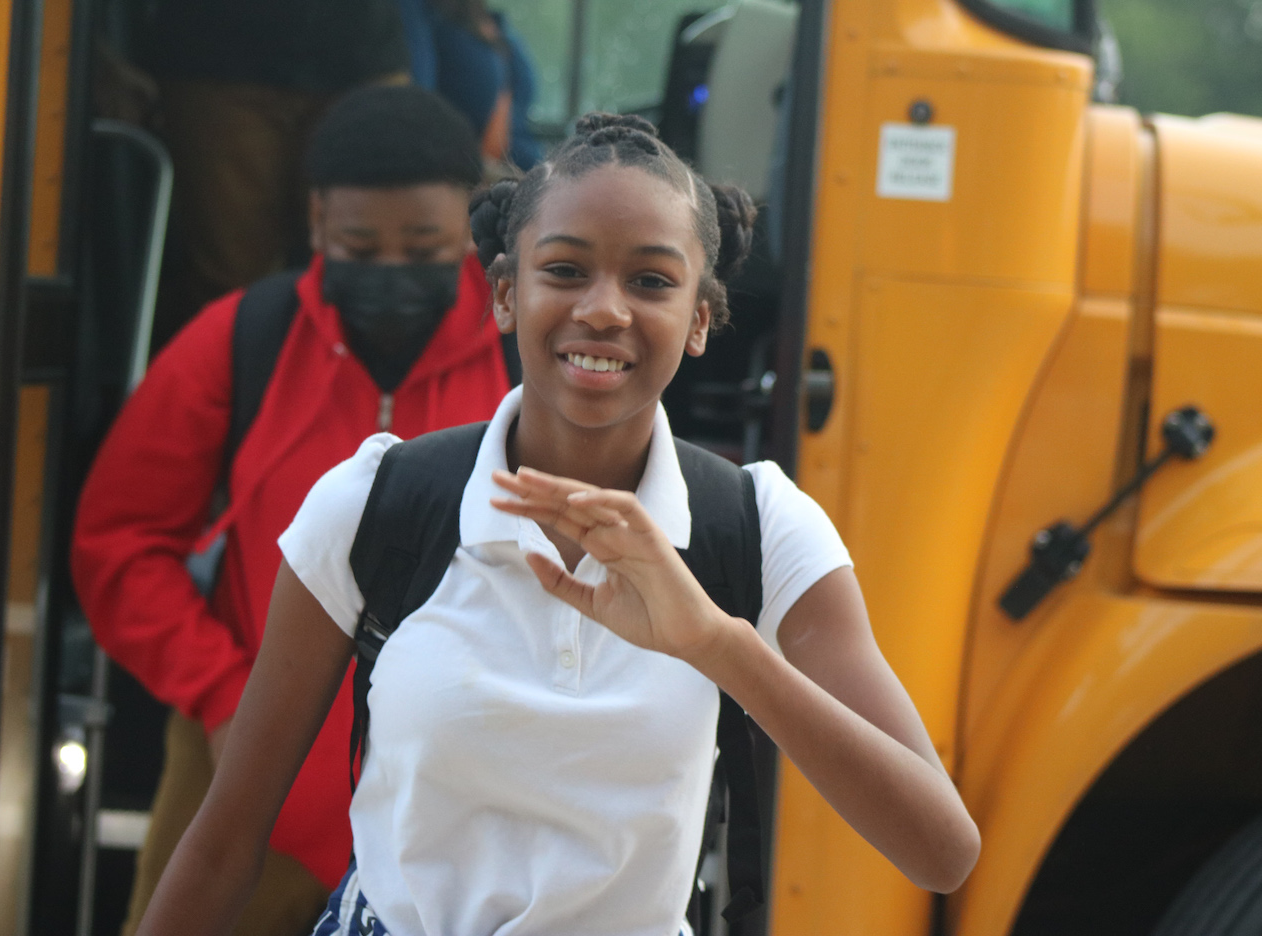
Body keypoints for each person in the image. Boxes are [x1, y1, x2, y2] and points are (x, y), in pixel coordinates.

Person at [134, 113, 980, 936]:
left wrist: (719, 646)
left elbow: (942, 849)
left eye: (651, 281)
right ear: (506, 295)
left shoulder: (761, 528)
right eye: (566, 271)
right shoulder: (376, 504)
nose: (604, 310)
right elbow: (222, 844)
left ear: (699, 323)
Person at [71, 86, 509, 936]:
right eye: (358, 244)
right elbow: (117, 543)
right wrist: (218, 690)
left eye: (423, 246)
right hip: (237, 784)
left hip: (458, 806)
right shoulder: (240, 339)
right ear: (314, 222)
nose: (390, 269)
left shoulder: (526, 355)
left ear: (471, 225)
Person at [137, 0, 413, 351]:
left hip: (362, 50)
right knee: (231, 284)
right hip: (216, 55)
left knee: (373, 269)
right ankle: (241, 395)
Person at [395, 0, 543, 171]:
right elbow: (416, 103)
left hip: (522, 168)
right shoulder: (415, 11)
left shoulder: (492, 25)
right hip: (470, 175)